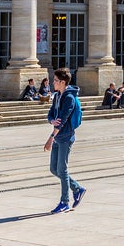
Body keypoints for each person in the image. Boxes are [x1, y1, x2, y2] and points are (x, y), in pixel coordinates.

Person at [44, 68, 85, 213]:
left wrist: (51, 137)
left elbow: (63, 119)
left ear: (62, 82)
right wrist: (51, 120)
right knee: (54, 169)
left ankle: (65, 202)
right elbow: (51, 114)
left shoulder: (69, 98)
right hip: (58, 136)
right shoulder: (57, 96)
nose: (52, 82)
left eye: (55, 80)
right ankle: (77, 189)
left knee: (62, 169)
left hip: (65, 137)